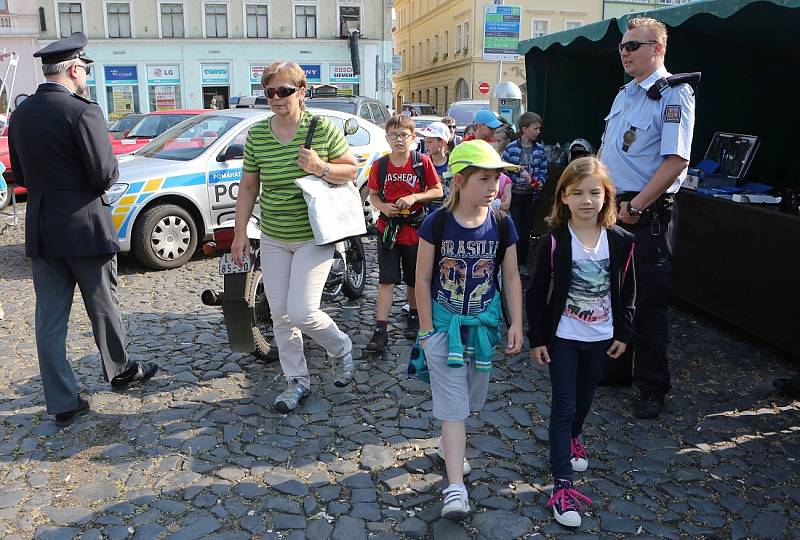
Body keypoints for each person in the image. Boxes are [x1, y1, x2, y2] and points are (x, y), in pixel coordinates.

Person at [8, 32, 158, 427]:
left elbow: (19, 175)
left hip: (42, 226)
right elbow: (104, 173)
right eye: (85, 68)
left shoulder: (21, 112)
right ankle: (120, 371)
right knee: (103, 306)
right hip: (85, 226)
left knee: (49, 320)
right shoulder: (82, 111)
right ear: (75, 68)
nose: (85, 74)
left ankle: (62, 402)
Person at [230, 61, 358, 413]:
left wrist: (321, 167)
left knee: (302, 311)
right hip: (273, 235)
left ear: (302, 92)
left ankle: (341, 346)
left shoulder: (322, 128)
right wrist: (240, 233)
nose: (275, 98)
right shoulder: (257, 134)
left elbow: (351, 169)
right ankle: (296, 382)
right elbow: (249, 185)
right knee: (281, 315)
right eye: (269, 92)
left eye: (284, 90)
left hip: (313, 236)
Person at [415, 140, 523, 520]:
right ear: (459, 181)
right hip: (445, 327)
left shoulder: (503, 222)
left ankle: (448, 445)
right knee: (456, 407)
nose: (494, 186)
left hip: (482, 327)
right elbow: (423, 279)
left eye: (496, 178)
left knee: (471, 400)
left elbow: (510, 275)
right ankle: (455, 490)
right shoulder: (436, 222)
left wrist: (516, 324)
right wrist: (427, 331)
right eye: (484, 178)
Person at [526, 157, 635, 527]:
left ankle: (574, 437)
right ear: (564, 198)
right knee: (563, 404)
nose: (587, 200)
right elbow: (537, 292)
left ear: (607, 196)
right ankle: (561, 485)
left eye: (595, 192)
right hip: (564, 339)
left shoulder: (621, 241)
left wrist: (623, 333)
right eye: (578, 193)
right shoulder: (555, 242)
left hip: (601, 338)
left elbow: (629, 291)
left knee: (584, 401)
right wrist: (537, 338)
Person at [598, 16, 696, 419]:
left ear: (657, 48)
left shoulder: (675, 94)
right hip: (614, 206)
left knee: (649, 303)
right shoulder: (625, 94)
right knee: (615, 295)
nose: (624, 52)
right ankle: (618, 368)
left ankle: (652, 386)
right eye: (622, 46)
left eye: (633, 46)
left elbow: (676, 160)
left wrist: (638, 206)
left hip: (646, 210)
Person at [366, 115, 443, 352]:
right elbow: (373, 194)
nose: (399, 140)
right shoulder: (380, 165)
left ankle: (414, 314)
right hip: (388, 231)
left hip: (414, 230)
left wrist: (414, 197)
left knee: (414, 278)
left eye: (404, 135)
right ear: (387, 138)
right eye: (394, 135)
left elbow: (437, 190)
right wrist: (383, 207)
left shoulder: (421, 162)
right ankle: (381, 329)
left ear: (412, 138)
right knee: (386, 279)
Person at [502, 111, 548, 279]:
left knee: (526, 231)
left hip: (530, 197)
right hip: (514, 196)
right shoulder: (511, 148)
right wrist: (516, 177)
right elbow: (504, 172)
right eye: (535, 128)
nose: (538, 131)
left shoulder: (540, 149)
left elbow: (543, 170)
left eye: (539, 128)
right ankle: (511, 263)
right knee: (515, 229)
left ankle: (522, 263)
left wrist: (540, 181)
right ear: (524, 129)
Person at [417, 121, 450, 212]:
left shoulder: (454, 164)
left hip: (448, 213)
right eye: (425, 141)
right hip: (425, 215)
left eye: (430, 141)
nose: (426, 145)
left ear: (442, 142)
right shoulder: (419, 164)